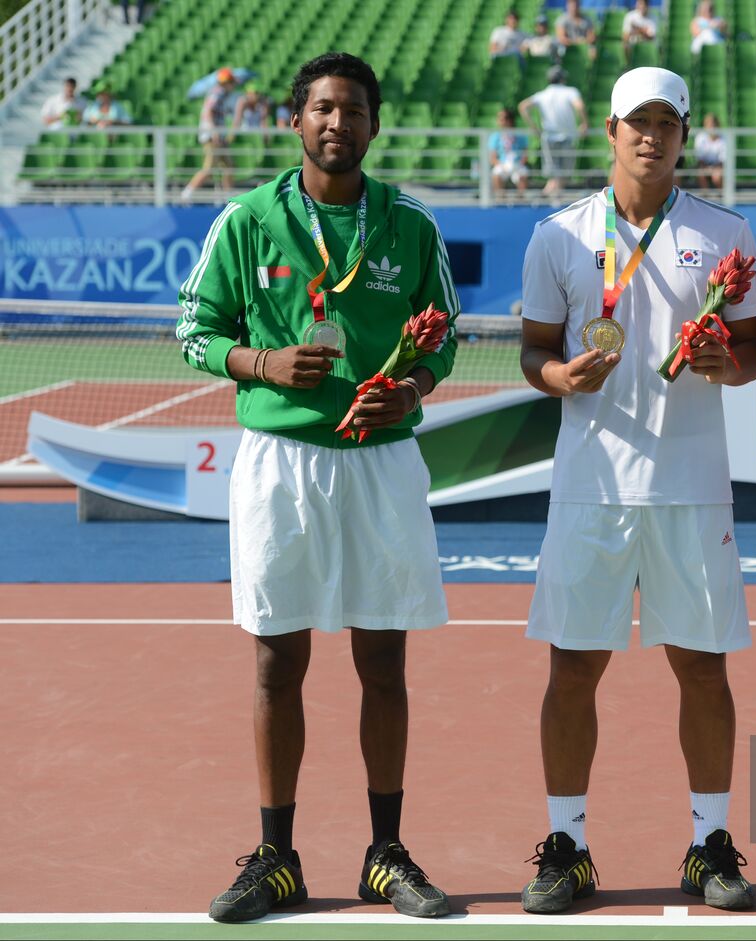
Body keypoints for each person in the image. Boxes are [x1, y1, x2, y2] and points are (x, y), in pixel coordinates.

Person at [177, 51, 460, 924]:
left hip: (382, 461)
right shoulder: (247, 219)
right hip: (278, 461)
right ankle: (277, 856)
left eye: (355, 111)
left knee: (383, 659)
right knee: (276, 661)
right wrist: (262, 360)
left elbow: (445, 335)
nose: (339, 123)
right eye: (324, 109)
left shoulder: (410, 225)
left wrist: (411, 389)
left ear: (375, 126)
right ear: (296, 120)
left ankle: (386, 852)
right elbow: (194, 328)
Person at [517, 66, 756, 915]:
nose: (650, 136)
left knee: (702, 669)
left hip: (690, 486)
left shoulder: (725, 232)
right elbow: (533, 352)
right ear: (611, 130)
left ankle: (708, 842)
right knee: (573, 666)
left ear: (685, 133)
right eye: (636, 122)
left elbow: (754, 353)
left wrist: (723, 363)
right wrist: (560, 374)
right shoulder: (558, 234)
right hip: (590, 485)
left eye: (667, 122)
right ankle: (568, 845)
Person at [519, 66, 588, 196]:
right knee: (563, 173)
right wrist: (584, 124)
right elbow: (580, 106)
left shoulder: (542, 95)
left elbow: (523, 107)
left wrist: (534, 127)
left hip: (549, 137)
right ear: (563, 79)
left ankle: (547, 195)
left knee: (555, 174)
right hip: (568, 136)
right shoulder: (570, 92)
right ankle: (549, 196)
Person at [182, 66, 239, 200]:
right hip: (213, 136)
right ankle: (187, 193)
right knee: (209, 168)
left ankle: (228, 195)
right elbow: (208, 112)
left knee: (229, 165)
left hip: (218, 136)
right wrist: (214, 133)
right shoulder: (217, 93)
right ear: (227, 82)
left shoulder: (221, 93)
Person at [489, 107, 530, 194]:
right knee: (496, 174)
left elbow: (525, 155)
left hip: (518, 164)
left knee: (522, 174)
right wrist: (502, 165)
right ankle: (500, 199)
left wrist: (518, 165)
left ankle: (521, 200)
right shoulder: (495, 136)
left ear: (510, 120)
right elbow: (492, 158)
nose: (499, 121)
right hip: (502, 164)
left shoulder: (520, 135)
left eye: (502, 119)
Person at [693, 111, 726, 189]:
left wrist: (714, 169)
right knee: (701, 173)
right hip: (704, 165)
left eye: (713, 124)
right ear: (705, 126)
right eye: (709, 124)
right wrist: (706, 168)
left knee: (717, 176)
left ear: (718, 125)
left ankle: (721, 197)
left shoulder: (724, 138)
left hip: (718, 166)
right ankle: (705, 197)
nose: (712, 127)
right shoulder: (700, 137)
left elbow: (723, 161)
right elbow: (700, 159)